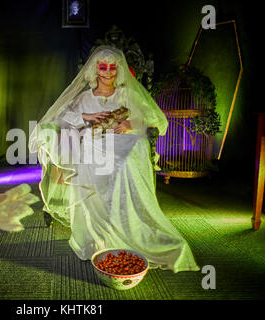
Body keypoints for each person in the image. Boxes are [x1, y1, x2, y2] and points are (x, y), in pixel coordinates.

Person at [29, 45, 199, 272]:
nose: (108, 72)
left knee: (125, 161)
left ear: (118, 70)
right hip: (94, 142)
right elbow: (61, 118)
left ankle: (128, 226)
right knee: (91, 156)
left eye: (112, 67)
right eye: (103, 67)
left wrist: (131, 123)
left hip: (124, 142)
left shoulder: (126, 94)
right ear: (95, 70)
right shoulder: (83, 98)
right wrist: (85, 116)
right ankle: (98, 232)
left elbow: (152, 118)